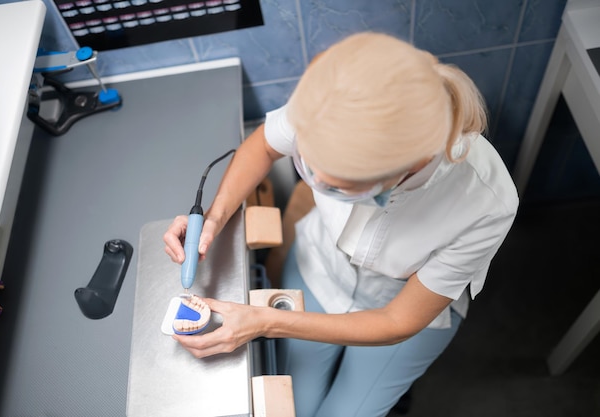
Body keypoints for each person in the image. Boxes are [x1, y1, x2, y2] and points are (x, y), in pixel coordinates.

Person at [163, 32, 519, 417]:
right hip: (318, 268)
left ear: (395, 175)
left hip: (398, 306)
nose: (313, 182)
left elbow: (398, 320)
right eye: (307, 167)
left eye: (335, 185)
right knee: (294, 409)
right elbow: (265, 146)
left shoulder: (486, 202)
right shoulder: (333, 97)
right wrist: (215, 216)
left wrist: (265, 321)